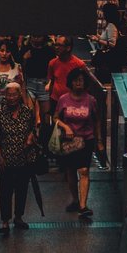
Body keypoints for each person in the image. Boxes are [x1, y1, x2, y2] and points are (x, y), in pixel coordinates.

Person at [55, 66, 104, 218]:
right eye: (76, 81)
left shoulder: (91, 100)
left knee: (83, 170)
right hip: (69, 141)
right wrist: (65, 127)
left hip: (86, 139)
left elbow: (96, 121)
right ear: (71, 82)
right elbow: (56, 118)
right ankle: (75, 200)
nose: (78, 83)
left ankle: (83, 205)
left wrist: (99, 140)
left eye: (81, 81)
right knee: (70, 171)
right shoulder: (63, 99)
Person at [0, 81, 37, 234]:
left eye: (14, 94)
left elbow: (33, 130)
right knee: (5, 191)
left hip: (24, 158)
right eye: (8, 95)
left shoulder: (27, 112)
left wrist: (31, 137)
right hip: (6, 159)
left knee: (22, 189)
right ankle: (5, 221)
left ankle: (18, 217)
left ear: (19, 96)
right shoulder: (0, 115)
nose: (11, 98)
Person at [47, 36, 88, 115]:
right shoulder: (52, 63)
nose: (56, 48)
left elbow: (86, 85)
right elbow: (52, 82)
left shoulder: (79, 64)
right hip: (55, 101)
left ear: (68, 48)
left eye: (59, 45)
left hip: (73, 102)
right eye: (55, 45)